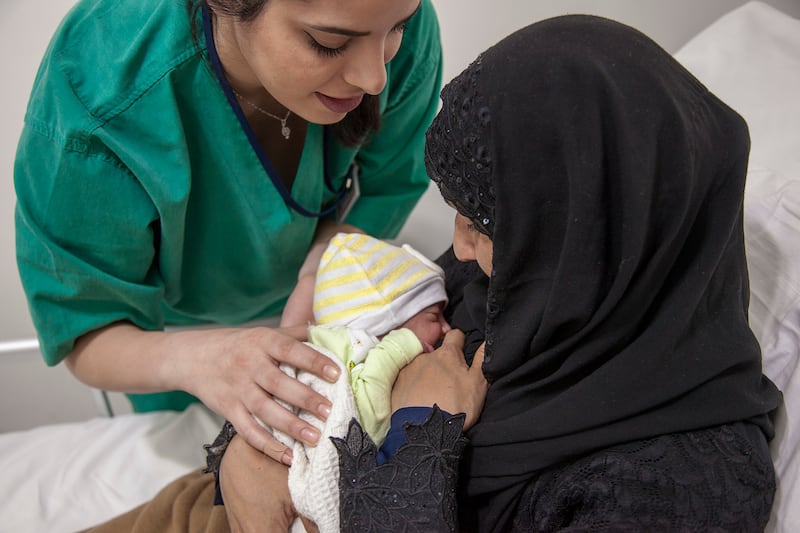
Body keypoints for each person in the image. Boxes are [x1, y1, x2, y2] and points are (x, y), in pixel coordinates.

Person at [335, 13, 785, 531]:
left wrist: (414, 437)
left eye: (480, 226)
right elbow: (338, 351)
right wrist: (247, 451)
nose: (457, 249)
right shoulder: (514, 286)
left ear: (591, 237)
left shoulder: (681, 490)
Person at [13, 0, 443, 469]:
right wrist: (198, 360)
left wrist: (328, 255)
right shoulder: (102, 87)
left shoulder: (377, 17)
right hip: (170, 340)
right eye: (328, 43)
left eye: (398, 28)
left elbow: (390, 184)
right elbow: (86, 328)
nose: (374, 78)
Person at [258, 232, 450, 532]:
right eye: (434, 316)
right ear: (388, 326)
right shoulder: (356, 356)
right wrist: (402, 346)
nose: (446, 328)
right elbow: (367, 425)